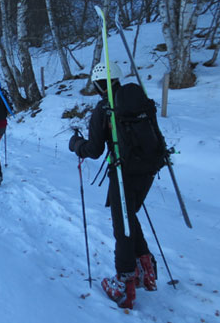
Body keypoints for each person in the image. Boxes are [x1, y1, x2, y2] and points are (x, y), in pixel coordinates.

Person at [68, 61, 157, 309]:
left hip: (124, 172)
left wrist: (75, 144)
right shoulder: (141, 100)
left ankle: (125, 282)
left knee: (122, 226)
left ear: (98, 85)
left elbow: (94, 150)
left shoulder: (105, 109)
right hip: (149, 169)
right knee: (129, 215)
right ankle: (146, 269)